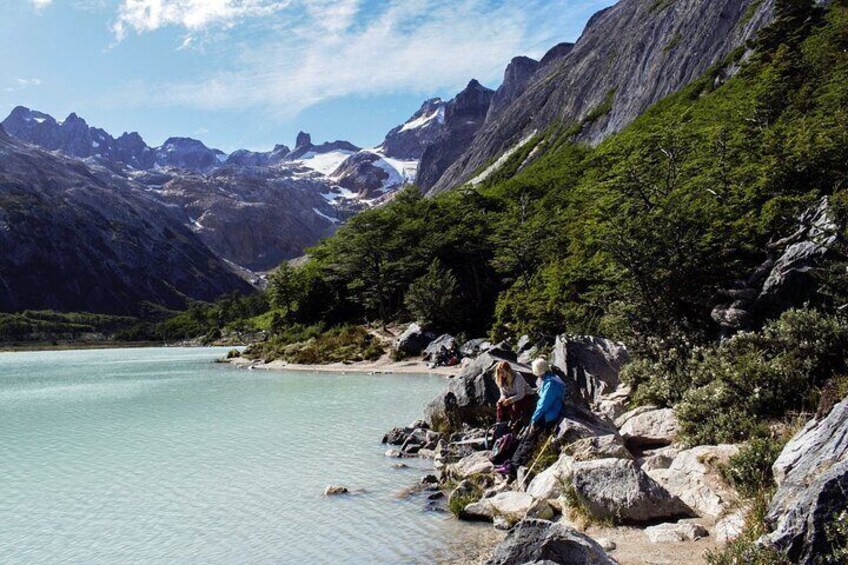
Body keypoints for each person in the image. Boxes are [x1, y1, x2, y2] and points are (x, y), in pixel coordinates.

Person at [495, 358, 567, 477]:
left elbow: (544, 405)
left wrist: (534, 419)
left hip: (547, 417)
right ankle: (511, 463)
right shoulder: (552, 379)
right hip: (547, 414)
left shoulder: (550, 383)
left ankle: (513, 467)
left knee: (529, 440)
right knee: (526, 438)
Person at [494, 361, 534, 426]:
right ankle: (500, 424)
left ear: (508, 370)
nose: (502, 374)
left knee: (516, 406)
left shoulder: (517, 376)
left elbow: (521, 394)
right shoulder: (501, 380)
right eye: (500, 372)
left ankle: (514, 425)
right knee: (500, 405)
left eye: (503, 372)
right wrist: (502, 399)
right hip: (512, 396)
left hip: (525, 395)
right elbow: (503, 394)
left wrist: (510, 400)